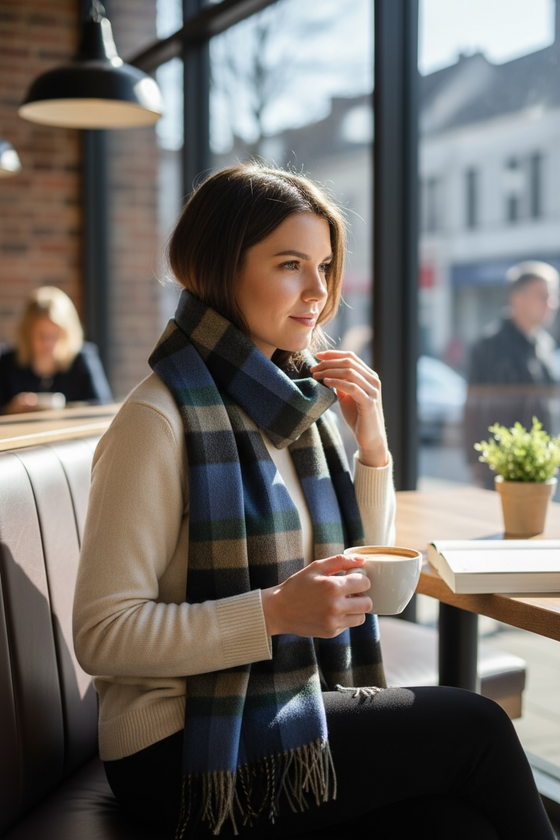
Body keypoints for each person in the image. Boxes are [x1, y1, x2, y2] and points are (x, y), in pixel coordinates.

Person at [73, 163, 555, 840]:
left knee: (455, 823)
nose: (319, 292)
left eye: (325, 266)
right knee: (475, 725)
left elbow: (363, 565)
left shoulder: (293, 405)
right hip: (179, 749)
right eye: (291, 264)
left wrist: (373, 446)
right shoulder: (159, 420)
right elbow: (103, 634)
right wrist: (272, 612)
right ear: (221, 268)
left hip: (284, 705)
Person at [464, 261, 559, 486]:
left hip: (541, 466)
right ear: (518, 298)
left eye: (552, 296)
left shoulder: (544, 344)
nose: (551, 304)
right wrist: (480, 465)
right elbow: (475, 409)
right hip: (506, 471)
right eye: (543, 296)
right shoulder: (490, 346)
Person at [0, 285, 113, 414]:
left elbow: (103, 409)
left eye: (55, 335)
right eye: (41, 335)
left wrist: (68, 410)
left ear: (68, 333)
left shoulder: (83, 359)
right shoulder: (7, 362)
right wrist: (10, 410)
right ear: (27, 333)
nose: (48, 343)